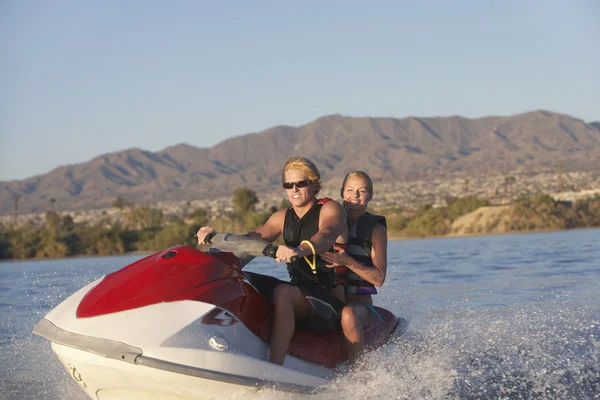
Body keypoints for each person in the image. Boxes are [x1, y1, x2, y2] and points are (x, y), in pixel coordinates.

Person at [196, 156, 348, 365]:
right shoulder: (282, 217)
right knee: (241, 279)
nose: (294, 189)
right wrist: (216, 238)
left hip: (329, 305)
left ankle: (274, 367)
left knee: (283, 292)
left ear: (314, 185)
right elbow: (250, 239)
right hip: (301, 294)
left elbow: (327, 235)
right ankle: (220, 339)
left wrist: (300, 250)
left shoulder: (330, 209)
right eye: (289, 185)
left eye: (301, 183)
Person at [321, 171, 388, 363]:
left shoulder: (376, 230)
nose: (355, 196)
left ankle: (357, 373)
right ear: (342, 192)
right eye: (350, 190)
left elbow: (379, 279)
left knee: (348, 314)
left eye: (362, 191)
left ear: (370, 196)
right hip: (329, 298)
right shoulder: (327, 220)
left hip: (359, 306)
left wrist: (348, 261)